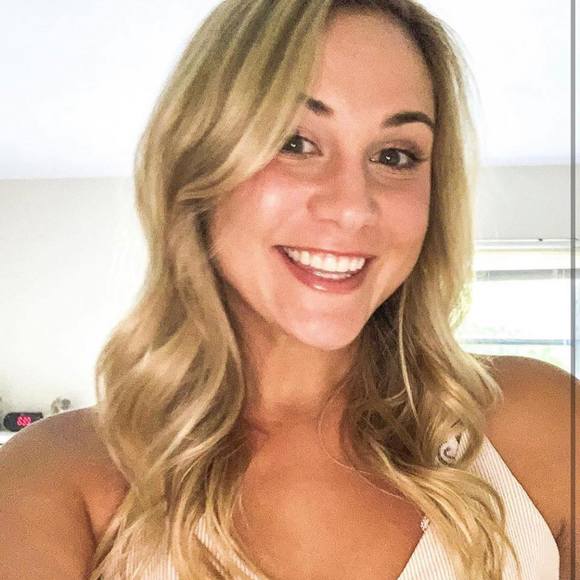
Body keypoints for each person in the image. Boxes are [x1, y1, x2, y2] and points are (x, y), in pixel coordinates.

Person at [0, 1, 574, 578]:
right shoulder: (55, 477)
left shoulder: (544, 426)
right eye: (295, 142)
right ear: (198, 166)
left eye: (394, 155)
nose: (352, 208)